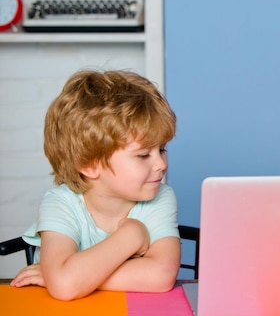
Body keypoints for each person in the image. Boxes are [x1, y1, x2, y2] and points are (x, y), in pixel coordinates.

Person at [10, 69, 181, 301]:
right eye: (143, 155)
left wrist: (75, 278)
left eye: (162, 149)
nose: (161, 164)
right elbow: (65, 286)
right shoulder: (61, 203)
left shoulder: (160, 197)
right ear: (89, 165)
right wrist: (130, 236)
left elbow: (161, 276)